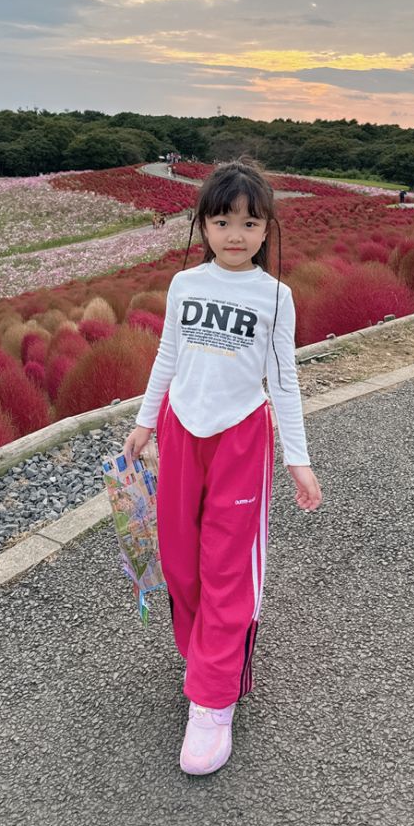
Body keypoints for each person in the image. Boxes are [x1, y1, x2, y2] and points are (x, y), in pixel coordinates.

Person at [122, 159, 322, 777]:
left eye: (249, 221)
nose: (235, 233)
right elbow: (169, 355)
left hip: (241, 438)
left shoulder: (275, 296)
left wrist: (298, 459)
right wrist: (145, 420)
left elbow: (282, 380)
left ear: (267, 230)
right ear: (203, 224)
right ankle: (208, 656)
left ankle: (212, 702)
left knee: (228, 567)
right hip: (183, 432)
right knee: (180, 561)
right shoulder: (185, 285)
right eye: (222, 219)